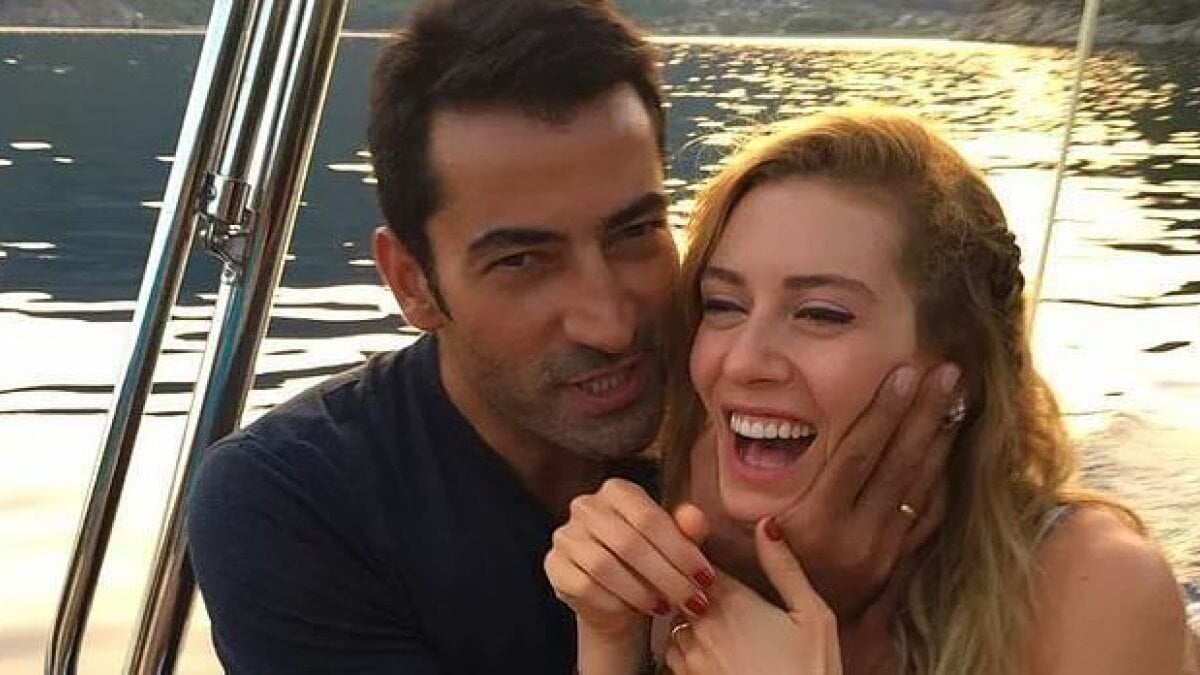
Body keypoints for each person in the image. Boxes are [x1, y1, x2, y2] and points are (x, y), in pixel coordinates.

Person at [187, 2, 957, 672]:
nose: (611, 322)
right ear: (412, 283)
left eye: (635, 232)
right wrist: (770, 589)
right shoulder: (301, 501)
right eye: (522, 261)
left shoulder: (766, 411)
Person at [546, 108, 1200, 674]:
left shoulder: (1094, 584)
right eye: (723, 305)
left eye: (821, 314)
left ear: (959, 363)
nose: (743, 361)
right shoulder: (688, 543)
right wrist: (610, 637)